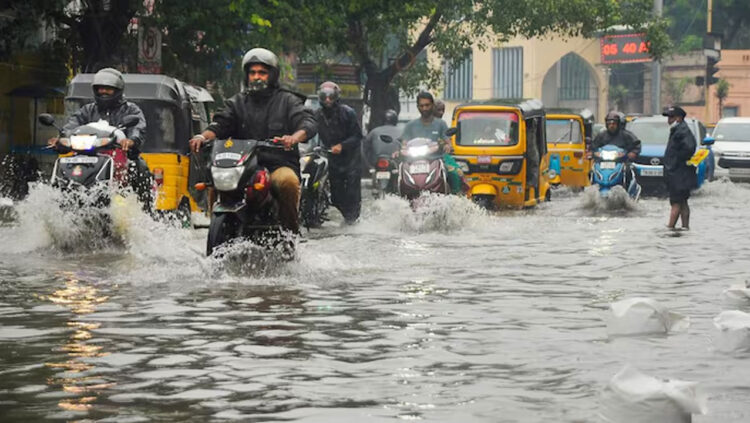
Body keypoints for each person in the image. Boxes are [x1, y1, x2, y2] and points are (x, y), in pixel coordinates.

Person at [189, 48, 317, 235]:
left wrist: (293, 138)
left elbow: (307, 122)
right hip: (241, 167)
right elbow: (219, 124)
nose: (257, 77)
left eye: (262, 73)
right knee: (216, 182)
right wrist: (202, 136)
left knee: (288, 182)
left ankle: (291, 234)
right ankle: (215, 226)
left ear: (272, 75)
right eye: (253, 72)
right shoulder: (236, 103)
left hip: (277, 164)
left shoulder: (288, 100)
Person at [48, 67, 152, 207]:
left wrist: (132, 140)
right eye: (100, 88)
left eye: (108, 89)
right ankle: (56, 201)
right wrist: (62, 138)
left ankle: (144, 209)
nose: (103, 91)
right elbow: (72, 125)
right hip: (86, 154)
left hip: (119, 155)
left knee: (140, 166)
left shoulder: (130, 109)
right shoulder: (88, 110)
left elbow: (138, 128)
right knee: (66, 164)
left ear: (118, 90)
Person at [314, 81, 363, 224]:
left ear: (336, 97)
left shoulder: (348, 112)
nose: (328, 100)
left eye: (331, 96)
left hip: (351, 158)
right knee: (336, 195)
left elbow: (357, 136)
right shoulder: (317, 115)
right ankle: (347, 216)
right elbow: (309, 130)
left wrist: (342, 146)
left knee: (353, 192)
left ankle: (353, 220)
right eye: (324, 97)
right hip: (333, 158)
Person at [401, 91, 466, 194]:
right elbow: (404, 143)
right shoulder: (410, 125)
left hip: (436, 159)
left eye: (427, 105)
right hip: (413, 162)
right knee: (398, 173)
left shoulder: (441, 124)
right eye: (421, 106)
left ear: (432, 105)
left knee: (454, 173)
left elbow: (447, 140)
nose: (424, 108)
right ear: (418, 107)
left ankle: (456, 198)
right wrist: (399, 150)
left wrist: (447, 146)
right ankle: (396, 198)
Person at [662, 105, 696, 230]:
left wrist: (676, 162)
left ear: (679, 118)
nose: (669, 121)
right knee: (682, 202)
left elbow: (688, 149)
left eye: (671, 117)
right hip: (678, 173)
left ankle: (670, 228)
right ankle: (685, 227)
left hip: (678, 173)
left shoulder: (682, 131)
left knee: (676, 202)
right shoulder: (678, 131)